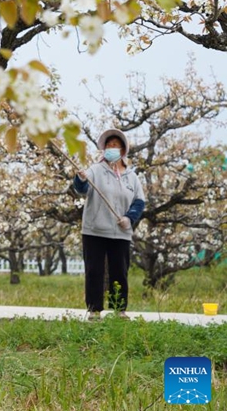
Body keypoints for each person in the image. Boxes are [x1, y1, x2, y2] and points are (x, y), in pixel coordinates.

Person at [73, 129, 146, 320]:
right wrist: (80, 178)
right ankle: (94, 309)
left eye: (115, 145)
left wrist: (129, 218)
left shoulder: (131, 177)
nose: (111, 149)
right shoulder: (95, 170)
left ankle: (119, 309)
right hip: (94, 230)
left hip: (121, 231)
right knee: (94, 271)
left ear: (123, 150)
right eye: (108, 146)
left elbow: (139, 201)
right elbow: (82, 188)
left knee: (119, 271)